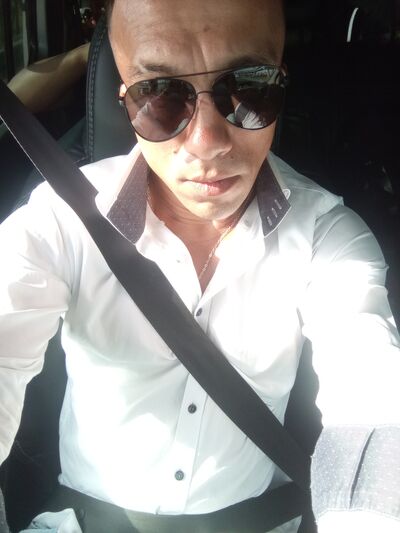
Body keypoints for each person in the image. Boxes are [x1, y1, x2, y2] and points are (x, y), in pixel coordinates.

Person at [1, 0, 400, 532]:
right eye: (159, 95)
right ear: (124, 99)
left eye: (250, 87)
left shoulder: (326, 236)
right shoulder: (60, 221)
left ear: (282, 82)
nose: (207, 142)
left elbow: (371, 400)